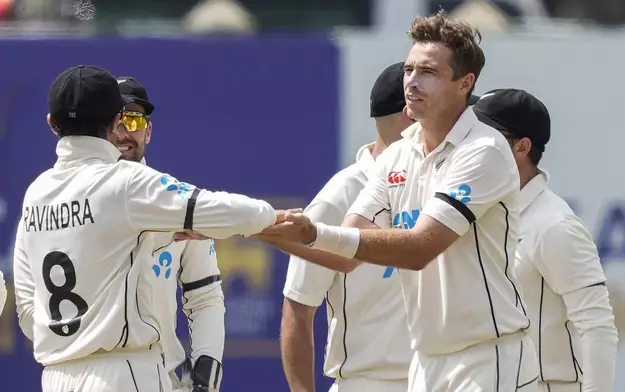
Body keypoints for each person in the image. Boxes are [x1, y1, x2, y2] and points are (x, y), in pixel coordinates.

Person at [258, 11, 540, 392]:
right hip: (426, 365)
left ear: (465, 83)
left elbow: (419, 249)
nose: (411, 82)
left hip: (488, 358)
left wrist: (312, 232)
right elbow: (345, 255)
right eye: (409, 70)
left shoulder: (484, 150)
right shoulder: (397, 156)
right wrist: (257, 227)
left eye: (428, 73)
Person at [12, 65, 286, 392]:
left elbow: (30, 312)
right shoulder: (129, 184)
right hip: (128, 369)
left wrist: (205, 378)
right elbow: (227, 211)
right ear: (112, 123)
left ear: (52, 124)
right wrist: (275, 218)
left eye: (136, 121)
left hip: (60, 374)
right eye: (122, 119)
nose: (126, 131)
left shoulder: (37, 193)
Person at [278, 62, 414, 392]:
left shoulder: (435, 181)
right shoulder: (342, 194)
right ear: (410, 113)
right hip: (368, 383)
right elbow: (298, 308)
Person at [472, 89, 619, 392]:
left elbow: (597, 326)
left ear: (522, 147)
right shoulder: (481, 214)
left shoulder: (555, 225)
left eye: (485, 136)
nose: (471, 146)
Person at [113, 76, 226, 391]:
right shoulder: (77, 200)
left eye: (133, 120)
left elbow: (205, 296)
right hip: (98, 375)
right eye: (115, 121)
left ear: (148, 131)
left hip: (165, 377)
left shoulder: (179, 202)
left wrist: (207, 366)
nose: (123, 132)